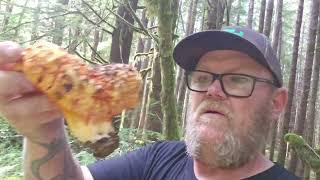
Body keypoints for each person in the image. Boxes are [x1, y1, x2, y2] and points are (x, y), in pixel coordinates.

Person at [0, 26, 300, 180]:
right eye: (203, 76)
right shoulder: (156, 161)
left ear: (276, 103)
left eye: (237, 80)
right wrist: (45, 132)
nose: (213, 90)